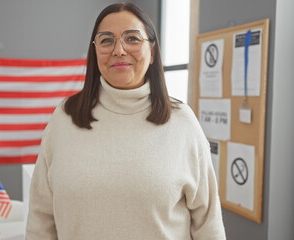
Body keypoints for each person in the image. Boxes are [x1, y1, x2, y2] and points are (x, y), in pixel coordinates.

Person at [26, 3, 226, 240]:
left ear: (152, 51)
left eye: (132, 38)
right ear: (95, 51)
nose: (119, 50)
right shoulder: (64, 118)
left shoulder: (182, 122)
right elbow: (40, 220)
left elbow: (208, 225)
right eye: (106, 40)